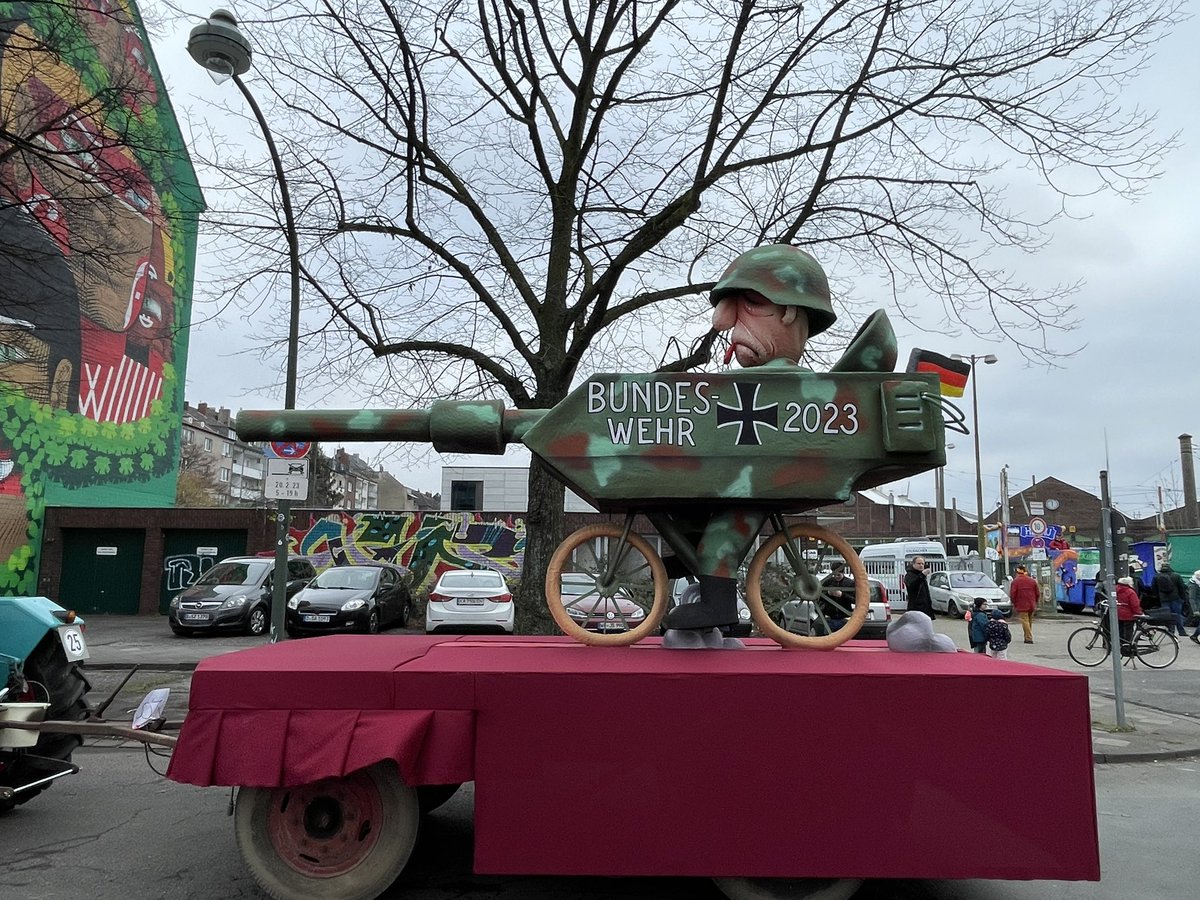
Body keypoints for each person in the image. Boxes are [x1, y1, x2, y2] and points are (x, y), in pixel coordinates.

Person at [816, 562, 856, 634]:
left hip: (845, 618)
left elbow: (854, 600)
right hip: (830, 618)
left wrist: (841, 595)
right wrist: (828, 594)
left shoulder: (850, 583)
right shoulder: (828, 582)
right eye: (834, 574)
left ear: (843, 572)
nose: (836, 577)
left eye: (838, 575)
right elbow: (819, 597)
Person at [1153, 564, 1189, 638]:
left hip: (1163, 599)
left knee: (1167, 615)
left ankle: (1170, 631)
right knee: (1177, 615)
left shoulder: (1156, 576)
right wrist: (1182, 598)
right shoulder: (1176, 575)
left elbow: (1153, 588)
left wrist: (1158, 597)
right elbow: (1182, 587)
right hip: (1176, 598)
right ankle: (1181, 631)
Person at [1009, 564, 1039, 644]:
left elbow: (1013, 594)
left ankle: (1029, 638)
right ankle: (1027, 636)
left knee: (1025, 620)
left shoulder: (1015, 582)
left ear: (1017, 573)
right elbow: (1037, 593)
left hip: (1022, 604)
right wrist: (1035, 602)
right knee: (1029, 621)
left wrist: (1014, 603)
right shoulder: (1032, 581)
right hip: (1032, 604)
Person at [1115, 576, 1144, 650]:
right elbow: (1135, 605)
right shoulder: (1130, 592)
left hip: (1118, 613)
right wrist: (1139, 613)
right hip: (1129, 615)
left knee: (1120, 630)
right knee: (1128, 631)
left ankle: (1121, 645)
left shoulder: (1115, 590)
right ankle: (1127, 646)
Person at [1188, 570, 1200, 645]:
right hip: (1198, 606)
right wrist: (1195, 610)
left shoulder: (1197, 584)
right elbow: (1192, 598)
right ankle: (1194, 635)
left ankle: (1195, 636)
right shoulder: (1193, 585)